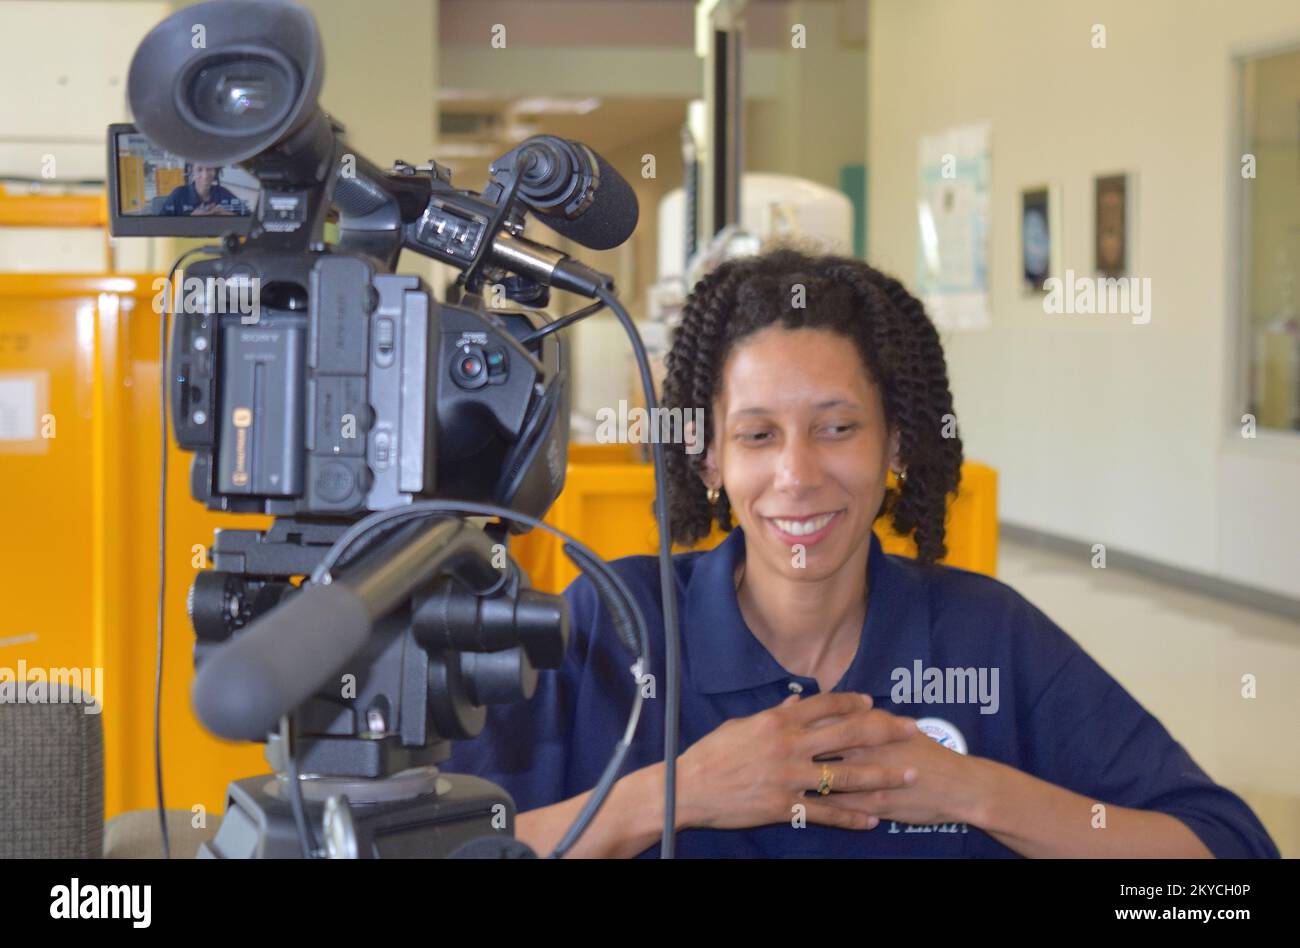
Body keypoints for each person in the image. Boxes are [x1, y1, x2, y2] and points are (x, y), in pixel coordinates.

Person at [441, 247, 1280, 859]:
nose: (798, 475)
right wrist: (676, 795)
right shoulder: (609, 633)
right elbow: (435, 851)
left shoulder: (983, 637)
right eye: (758, 435)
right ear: (709, 459)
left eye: (838, 429)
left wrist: (973, 790)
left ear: (896, 446)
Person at [157, 163, 246, 217]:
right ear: (191, 171)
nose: (205, 176)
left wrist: (225, 214)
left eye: (209, 169)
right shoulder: (178, 194)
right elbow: (159, 226)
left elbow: (249, 218)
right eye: (199, 170)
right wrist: (191, 219)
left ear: (216, 171)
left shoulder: (224, 194)